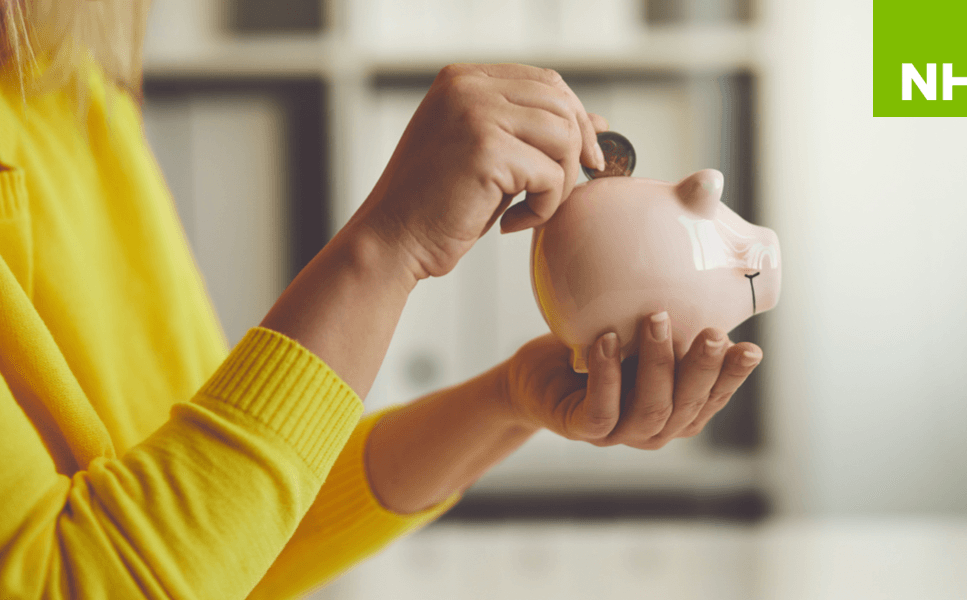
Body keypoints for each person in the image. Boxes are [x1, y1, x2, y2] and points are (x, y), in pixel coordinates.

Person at [0, 0, 763, 597]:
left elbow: (226, 543)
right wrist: (388, 246)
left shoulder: (69, 91)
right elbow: (72, 581)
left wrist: (508, 398)